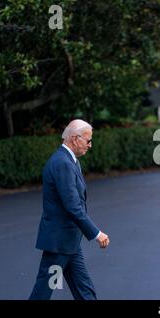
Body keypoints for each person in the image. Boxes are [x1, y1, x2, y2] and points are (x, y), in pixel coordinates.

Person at [29, 119, 109, 300]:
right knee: (44, 291)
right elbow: (73, 206)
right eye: (88, 141)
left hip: (69, 242)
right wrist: (97, 234)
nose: (90, 145)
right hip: (59, 244)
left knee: (84, 290)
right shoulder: (63, 163)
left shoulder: (69, 161)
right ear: (75, 139)